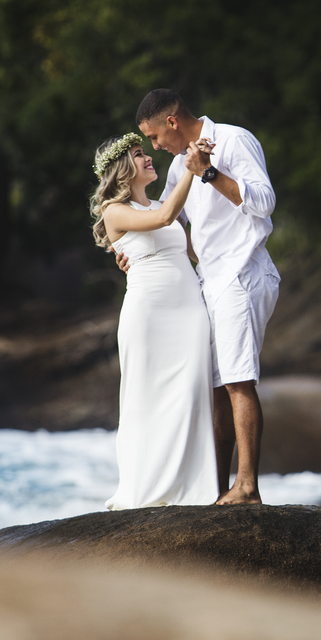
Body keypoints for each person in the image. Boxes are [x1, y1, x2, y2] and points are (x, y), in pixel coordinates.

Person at [119, 89, 280, 505]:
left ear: (172, 122)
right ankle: (216, 487)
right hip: (209, 282)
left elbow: (264, 203)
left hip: (242, 272)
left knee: (238, 380)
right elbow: (169, 222)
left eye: (154, 136)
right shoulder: (178, 167)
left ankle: (247, 486)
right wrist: (135, 253)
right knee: (215, 389)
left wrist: (208, 172)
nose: (155, 146)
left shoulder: (234, 140)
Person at [90, 133, 218, 509]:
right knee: (146, 400)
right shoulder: (115, 211)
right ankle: (146, 488)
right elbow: (163, 219)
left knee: (191, 395)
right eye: (138, 154)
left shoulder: (163, 203)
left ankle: (191, 488)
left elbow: (195, 251)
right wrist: (192, 170)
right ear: (122, 169)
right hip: (149, 314)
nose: (147, 158)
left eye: (145, 152)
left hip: (189, 311)